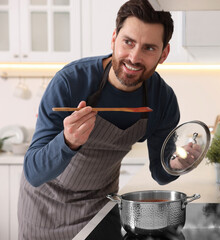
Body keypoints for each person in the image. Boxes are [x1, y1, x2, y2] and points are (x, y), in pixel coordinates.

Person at [17, 0, 187, 239]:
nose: (134, 57)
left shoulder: (163, 100)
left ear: (164, 53)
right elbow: (34, 172)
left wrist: (178, 164)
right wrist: (67, 141)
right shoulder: (70, 82)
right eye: (128, 42)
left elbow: (161, 173)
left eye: (149, 48)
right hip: (45, 205)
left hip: (100, 203)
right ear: (114, 39)